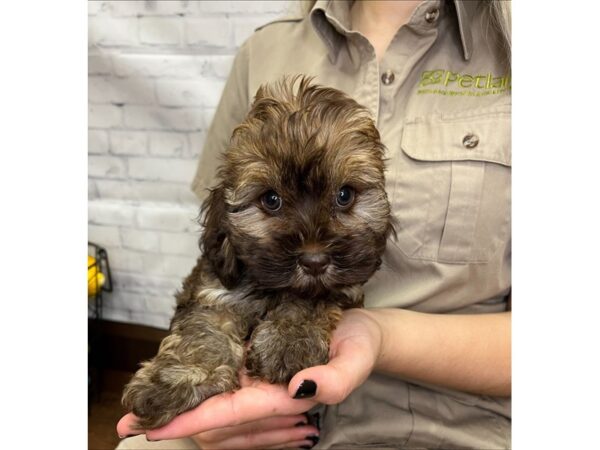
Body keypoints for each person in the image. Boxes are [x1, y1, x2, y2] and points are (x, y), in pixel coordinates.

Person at [117, 0, 512, 448]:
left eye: (345, 198)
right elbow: (217, 263)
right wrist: (208, 388)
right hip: (252, 406)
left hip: (446, 419)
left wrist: (373, 335)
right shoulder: (264, 49)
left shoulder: (514, 42)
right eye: (271, 200)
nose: (313, 248)